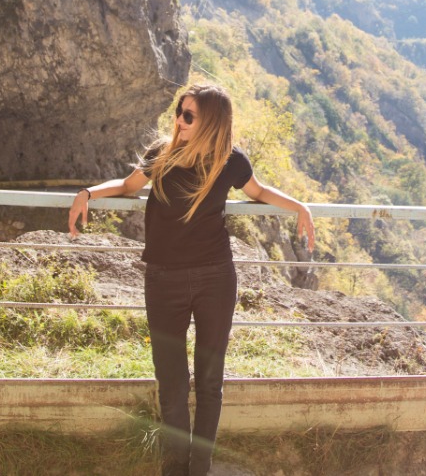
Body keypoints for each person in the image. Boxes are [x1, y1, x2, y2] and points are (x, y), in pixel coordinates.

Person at [68, 83, 316, 476]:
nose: (179, 122)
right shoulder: (161, 155)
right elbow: (127, 186)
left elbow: (259, 192)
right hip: (163, 280)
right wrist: (87, 193)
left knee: (209, 382)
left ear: (211, 122)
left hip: (215, 278)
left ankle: (200, 466)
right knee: (171, 382)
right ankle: (175, 466)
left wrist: (299, 205)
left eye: (188, 116)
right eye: (178, 113)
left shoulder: (231, 162)